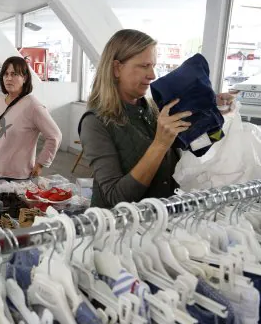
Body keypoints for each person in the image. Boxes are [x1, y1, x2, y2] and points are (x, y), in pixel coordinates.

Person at [79, 29, 236, 208]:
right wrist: (160, 144)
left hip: (163, 224)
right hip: (120, 230)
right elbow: (115, 197)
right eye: (144, 66)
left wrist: (212, 115)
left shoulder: (156, 110)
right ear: (117, 68)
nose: (152, 75)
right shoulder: (95, 122)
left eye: (153, 65)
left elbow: (198, 147)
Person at [0, 56, 62, 181]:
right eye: (6, 74)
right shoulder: (0, 99)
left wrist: (40, 164)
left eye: (14, 74)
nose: (9, 78)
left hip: (16, 176)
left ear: (25, 78)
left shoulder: (32, 105)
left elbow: (55, 136)